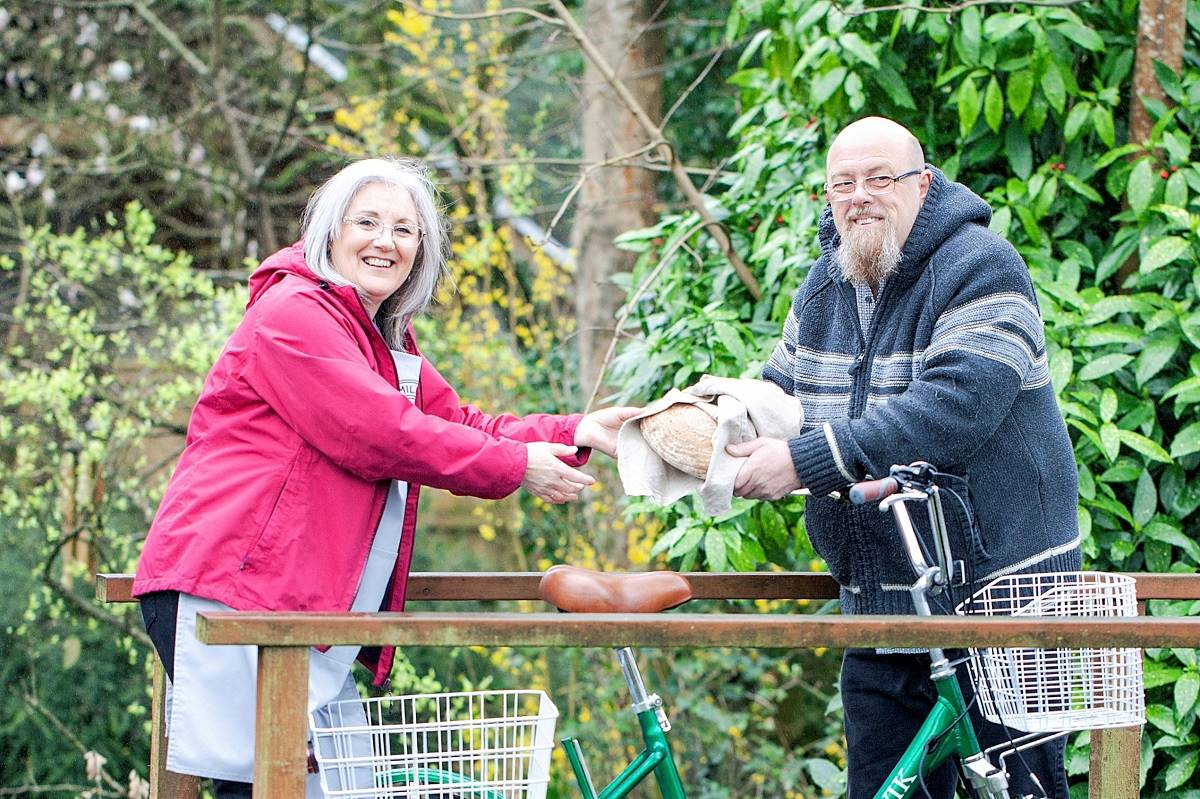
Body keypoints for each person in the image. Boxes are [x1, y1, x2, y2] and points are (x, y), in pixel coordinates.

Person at [132, 157, 636, 798]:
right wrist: (515, 467)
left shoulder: (380, 337)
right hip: (235, 586)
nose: (385, 241)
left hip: (294, 602)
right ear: (329, 232)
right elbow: (381, 433)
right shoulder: (294, 315)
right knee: (265, 787)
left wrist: (574, 432)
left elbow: (458, 423)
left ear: (420, 250)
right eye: (367, 222)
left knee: (322, 788)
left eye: (404, 229)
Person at [726, 117, 1080, 798]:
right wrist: (698, 426)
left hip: (1001, 607)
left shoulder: (982, 265)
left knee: (1018, 790)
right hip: (884, 601)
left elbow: (954, 406)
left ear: (923, 184)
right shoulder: (823, 285)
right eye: (842, 183)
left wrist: (805, 462)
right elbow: (778, 392)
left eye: (879, 178)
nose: (858, 195)